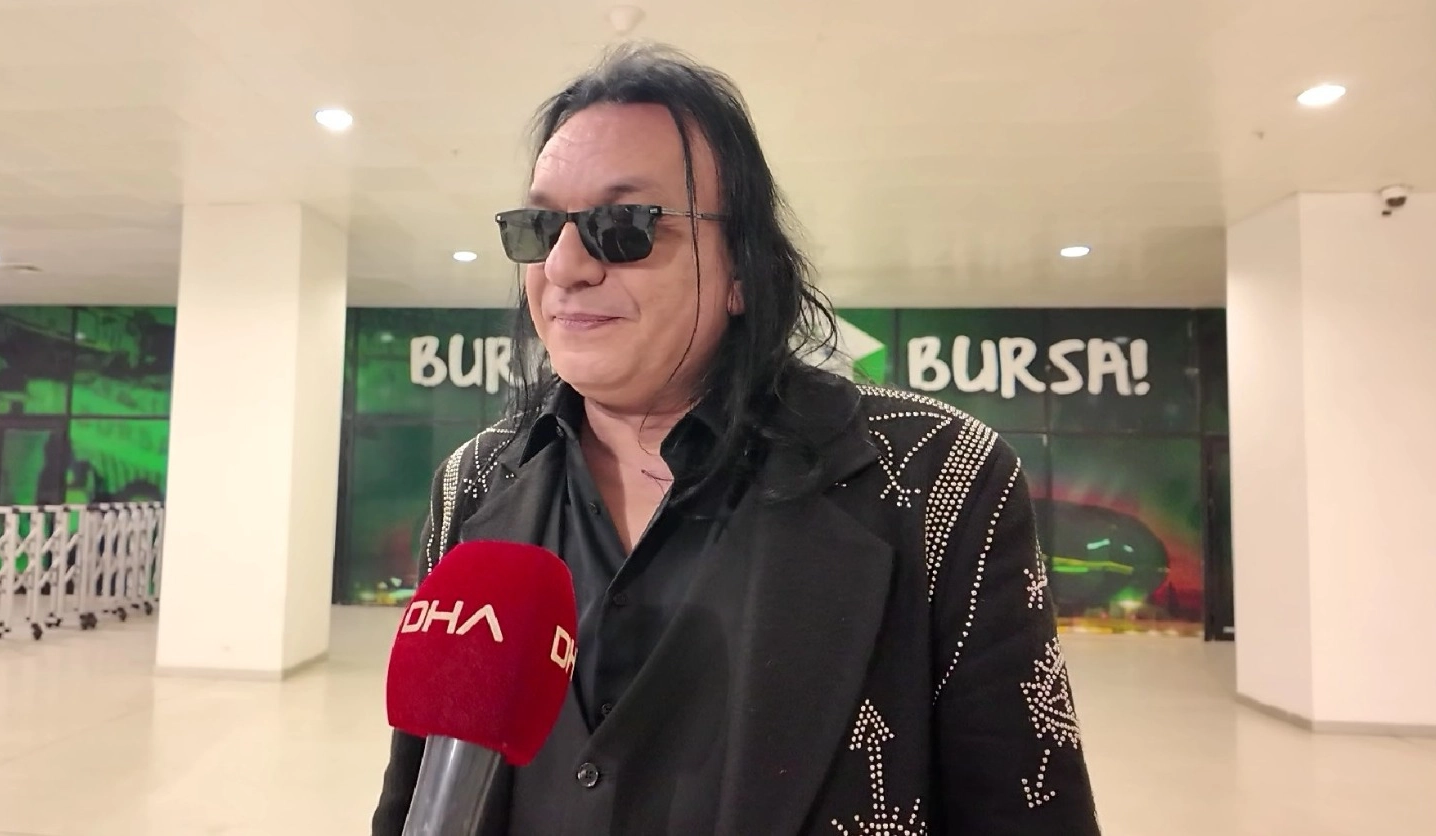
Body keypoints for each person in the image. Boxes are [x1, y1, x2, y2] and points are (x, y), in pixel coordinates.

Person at [373, 42, 1101, 836]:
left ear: (743, 271)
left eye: (624, 226)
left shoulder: (939, 479)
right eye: (541, 226)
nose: (564, 266)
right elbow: (418, 787)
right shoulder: (473, 483)